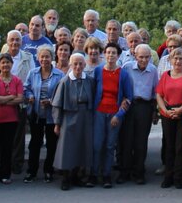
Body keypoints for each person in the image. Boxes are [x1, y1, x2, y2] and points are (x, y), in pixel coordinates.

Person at [53, 52, 96, 190]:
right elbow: (57, 104)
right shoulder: (65, 81)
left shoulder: (89, 80)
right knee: (67, 147)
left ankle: (77, 176)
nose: (78, 66)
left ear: (85, 65)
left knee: (82, 146)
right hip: (69, 116)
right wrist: (57, 123)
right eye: (75, 64)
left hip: (86, 116)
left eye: (80, 64)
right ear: (70, 65)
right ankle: (66, 178)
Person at [92, 42, 132, 187]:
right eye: (108, 52)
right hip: (98, 113)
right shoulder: (97, 71)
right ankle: (94, 174)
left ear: (118, 55)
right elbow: (93, 92)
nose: (110, 55)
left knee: (109, 146)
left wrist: (119, 115)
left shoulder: (123, 74)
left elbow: (128, 97)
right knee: (97, 145)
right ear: (104, 54)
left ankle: (107, 175)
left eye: (113, 53)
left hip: (114, 115)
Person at [24, 45, 64, 183]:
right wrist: (29, 96)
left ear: (52, 58)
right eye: (42, 56)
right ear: (38, 58)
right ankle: (31, 171)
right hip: (36, 113)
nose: (44, 59)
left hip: (51, 115)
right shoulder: (33, 72)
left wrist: (51, 101)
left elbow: (62, 93)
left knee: (51, 144)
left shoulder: (59, 74)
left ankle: (48, 171)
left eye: (47, 56)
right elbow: (26, 88)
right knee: (34, 143)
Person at [118, 43, 157, 184]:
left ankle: (139, 172)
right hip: (129, 105)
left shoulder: (153, 70)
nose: (144, 60)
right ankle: (124, 172)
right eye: (141, 57)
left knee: (141, 141)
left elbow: (155, 92)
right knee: (126, 140)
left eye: (147, 57)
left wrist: (154, 111)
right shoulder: (127, 67)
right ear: (135, 56)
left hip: (144, 106)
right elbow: (120, 86)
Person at [155, 48, 182, 190]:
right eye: (175, 58)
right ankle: (168, 177)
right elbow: (159, 94)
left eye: (181, 58)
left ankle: (178, 177)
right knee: (169, 146)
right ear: (170, 60)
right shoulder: (165, 75)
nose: (178, 61)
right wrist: (164, 110)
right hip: (167, 113)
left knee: (180, 146)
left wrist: (181, 109)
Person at [0, 53, 25, 185]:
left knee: (7, 148)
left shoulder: (17, 81)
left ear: (12, 64)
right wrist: (10, 97)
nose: (5, 65)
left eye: (8, 62)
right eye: (3, 63)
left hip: (11, 119)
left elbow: (20, 99)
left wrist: (3, 100)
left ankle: (5, 174)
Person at [2, 30, 35, 174]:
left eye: (17, 40)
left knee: (18, 135)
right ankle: (3, 162)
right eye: (12, 40)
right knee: (3, 134)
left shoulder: (28, 57)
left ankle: (17, 163)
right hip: (2, 103)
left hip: (20, 102)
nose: (15, 43)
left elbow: (32, 77)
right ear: (7, 41)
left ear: (22, 42)